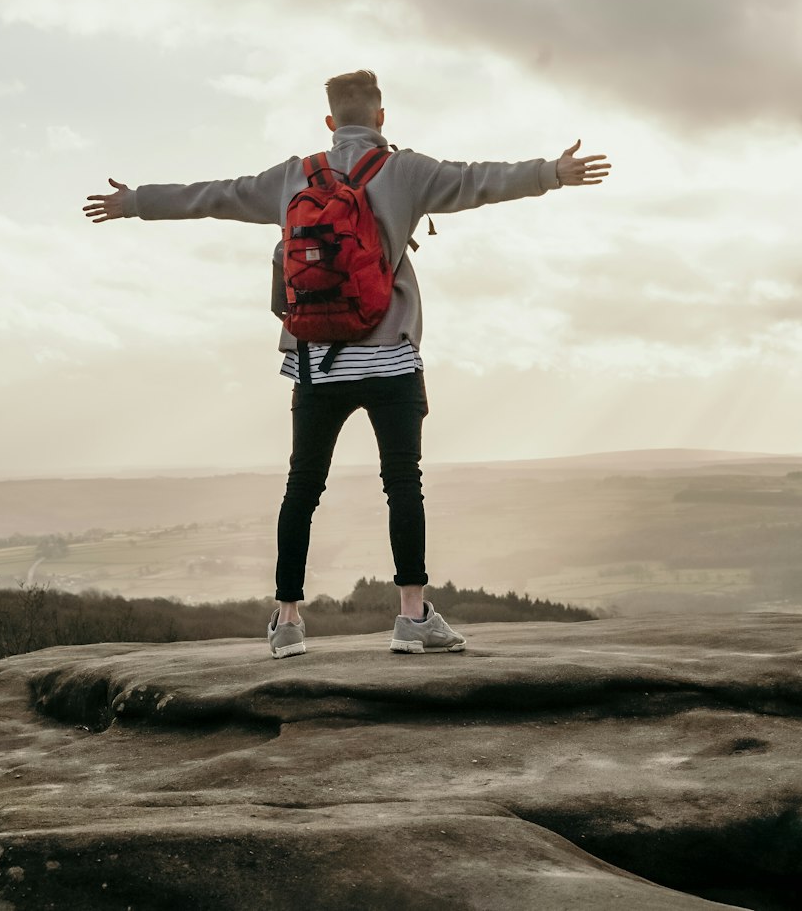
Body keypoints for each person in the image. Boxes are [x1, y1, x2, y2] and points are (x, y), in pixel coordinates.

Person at [83, 69, 611, 658]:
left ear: (331, 124)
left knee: (302, 487)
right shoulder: (406, 171)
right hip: (390, 358)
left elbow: (216, 195)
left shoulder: (294, 176)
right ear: (381, 119)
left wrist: (134, 202)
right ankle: (412, 617)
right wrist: (550, 174)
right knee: (402, 483)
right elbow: (477, 182)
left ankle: (286, 621)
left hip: (317, 362)